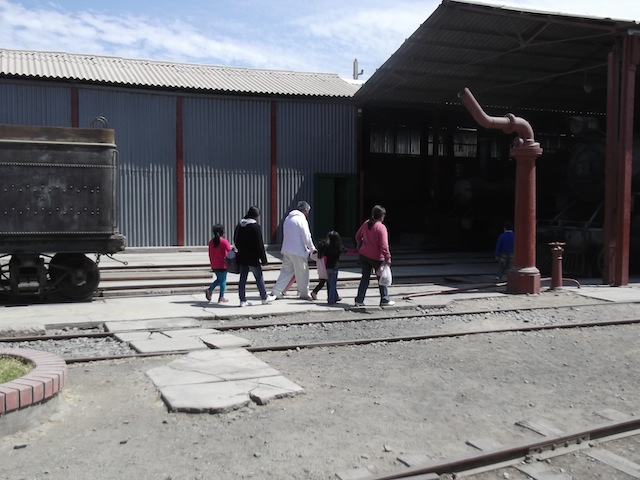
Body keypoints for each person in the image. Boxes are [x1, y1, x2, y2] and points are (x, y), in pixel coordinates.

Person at [271, 201, 317, 300]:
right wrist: (312, 248)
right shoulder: (301, 220)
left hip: (287, 249)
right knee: (302, 272)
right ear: (305, 210)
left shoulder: (288, 218)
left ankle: (277, 290)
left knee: (286, 271)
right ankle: (304, 293)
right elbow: (306, 236)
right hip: (298, 251)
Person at [233, 206, 276, 307]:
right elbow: (259, 245)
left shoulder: (240, 225)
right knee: (259, 277)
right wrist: (264, 259)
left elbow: (235, 239)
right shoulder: (255, 227)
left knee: (243, 278)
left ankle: (242, 300)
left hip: (242, 257)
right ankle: (264, 297)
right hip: (253, 258)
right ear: (256, 216)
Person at [354, 205, 394, 307]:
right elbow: (384, 245)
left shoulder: (366, 223)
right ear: (382, 216)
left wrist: (361, 243)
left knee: (365, 278)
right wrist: (388, 258)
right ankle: (384, 299)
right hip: (376, 257)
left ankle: (359, 300)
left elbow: (357, 236)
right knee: (382, 278)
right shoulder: (381, 227)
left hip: (364, 255)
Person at [310, 231, 357, 304]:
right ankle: (331, 300)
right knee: (332, 284)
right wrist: (358, 251)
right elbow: (348, 251)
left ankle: (334, 297)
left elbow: (321, 253)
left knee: (330, 284)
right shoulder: (339, 248)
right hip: (334, 267)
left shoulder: (326, 247)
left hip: (327, 267)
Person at [205, 223, 232, 303]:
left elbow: (210, 254)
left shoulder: (211, 242)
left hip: (214, 264)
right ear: (222, 232)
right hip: (223, 264)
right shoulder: (224, 242)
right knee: (223, 280)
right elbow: (230, 251)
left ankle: (210, 290)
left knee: (219, 279)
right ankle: (221, 297)